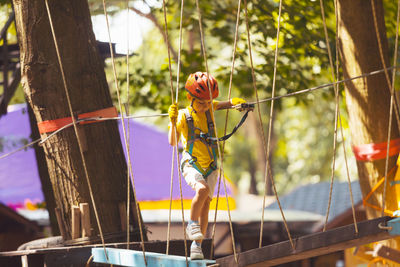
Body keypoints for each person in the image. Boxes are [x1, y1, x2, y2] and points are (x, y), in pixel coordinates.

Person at [168, 71, 246, 260]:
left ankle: (197, 245)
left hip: (210, 165)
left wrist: (235, 103)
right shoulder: (184, 116)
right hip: (191, 162)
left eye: (208, 103)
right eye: (201, 103)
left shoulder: (210, 108)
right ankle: (191, 224)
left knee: (206, 205)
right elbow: (172, 142)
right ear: (190, 97)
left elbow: (223, 104)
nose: (206, 107)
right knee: (201, 191)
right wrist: (172, 121)